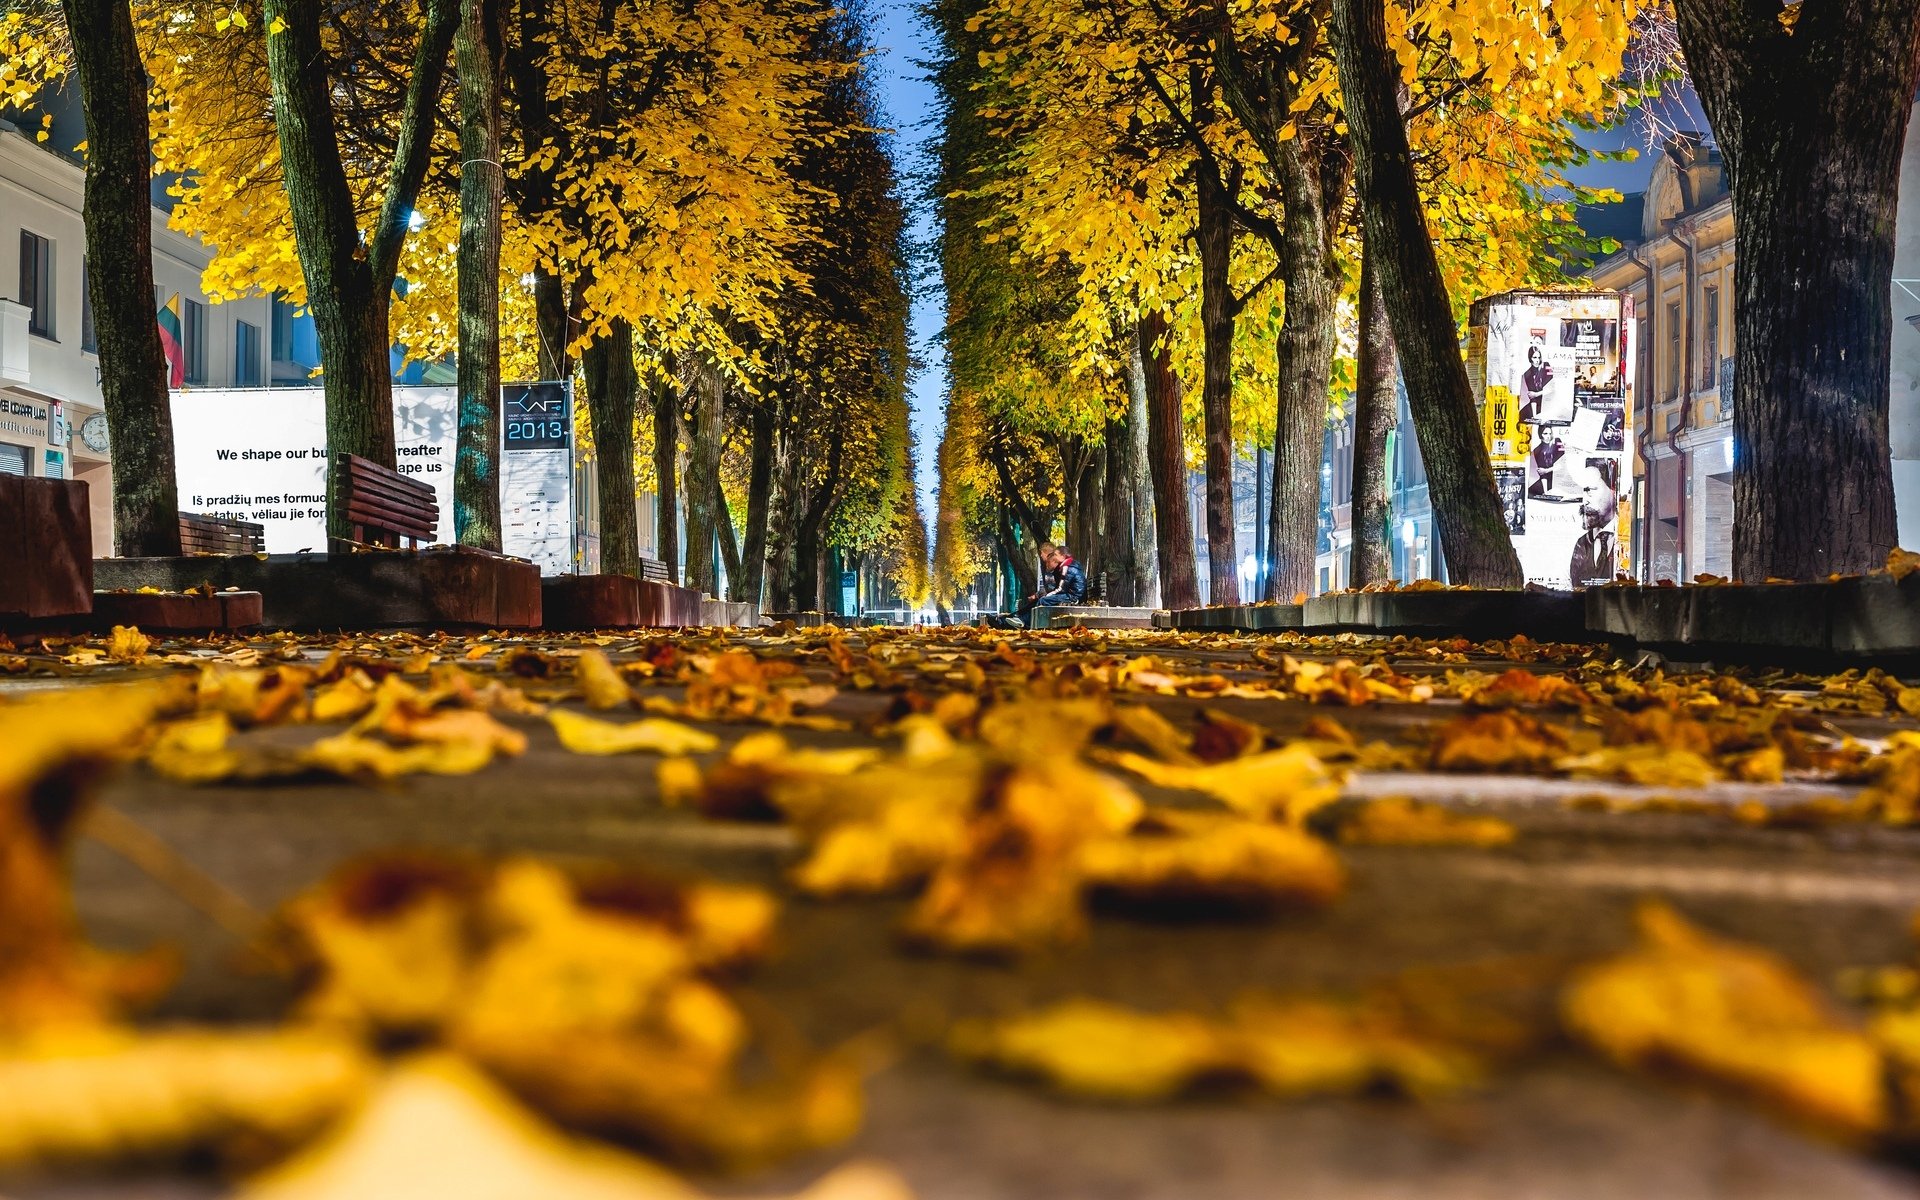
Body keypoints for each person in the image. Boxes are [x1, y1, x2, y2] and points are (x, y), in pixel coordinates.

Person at [994, 542, 1086, 628]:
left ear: (1062, 556)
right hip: (1070, 595)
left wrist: (1044, 595)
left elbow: (1059, 588)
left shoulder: (1065, 567)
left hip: (1073, 597)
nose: (1041, 556)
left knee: (1043, 601)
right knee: (1039, 601)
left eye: (1056, 555)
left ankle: (1023, 622)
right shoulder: (1063, 567)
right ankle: (1013, 620)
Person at [1568, 460, 1620, 587]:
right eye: (1582, 492)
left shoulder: (1628, 538)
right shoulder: (1581, 544)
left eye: (1590, 490)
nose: (1585, 501)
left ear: (1614, 489)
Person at [1519, 343, 1554, 424]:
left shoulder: (1546, 365)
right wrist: (1535, 418)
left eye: (1539, 357)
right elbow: (1532, 397)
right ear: (1530, 358)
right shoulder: (1527, 374)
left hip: (1549, 401)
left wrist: (1537, 394)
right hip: (1537, 404)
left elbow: (1552, 388)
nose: (1537, 360)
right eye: (1534, 357)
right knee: (1523, 414)